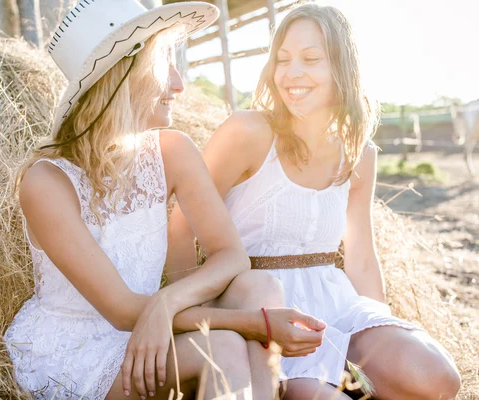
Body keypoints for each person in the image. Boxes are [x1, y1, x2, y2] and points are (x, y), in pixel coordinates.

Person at [4, 1, 326, 399]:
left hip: (156, 319)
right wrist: (255, 324)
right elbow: (122, 311)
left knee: (259, 286)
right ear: (123, 75)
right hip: (81, 346)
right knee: (223, 347)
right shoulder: (47, 182)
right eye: (164, 65)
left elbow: (231, 255)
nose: (179, 84)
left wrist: (167, 301)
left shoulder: (172, 150)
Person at [167, 4, 461, 399]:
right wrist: (196, 317)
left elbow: (360, 256)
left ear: (343, 68)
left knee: (437, 379)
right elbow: (181, 226)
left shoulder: (360, 153)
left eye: (311, 59)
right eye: (282, 59)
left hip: (335, 302)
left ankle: (346, 374)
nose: (291, 74)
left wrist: (378, 326)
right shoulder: (248, 131)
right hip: (260, 305)